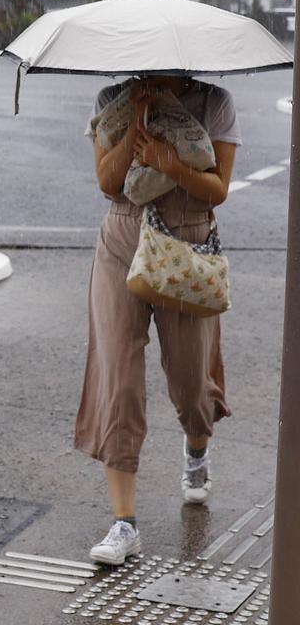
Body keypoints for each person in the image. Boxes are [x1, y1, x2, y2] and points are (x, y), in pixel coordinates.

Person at [77, 75, 240, 565]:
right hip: (123, 238)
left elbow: (218, 190)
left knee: (191, 384)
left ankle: (196, 448)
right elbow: (108, 183)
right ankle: (124, 524)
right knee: (118, 380)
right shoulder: (113, 100)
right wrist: (135, 126)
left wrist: (169, 162)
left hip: (185, 241)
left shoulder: (214, 103)